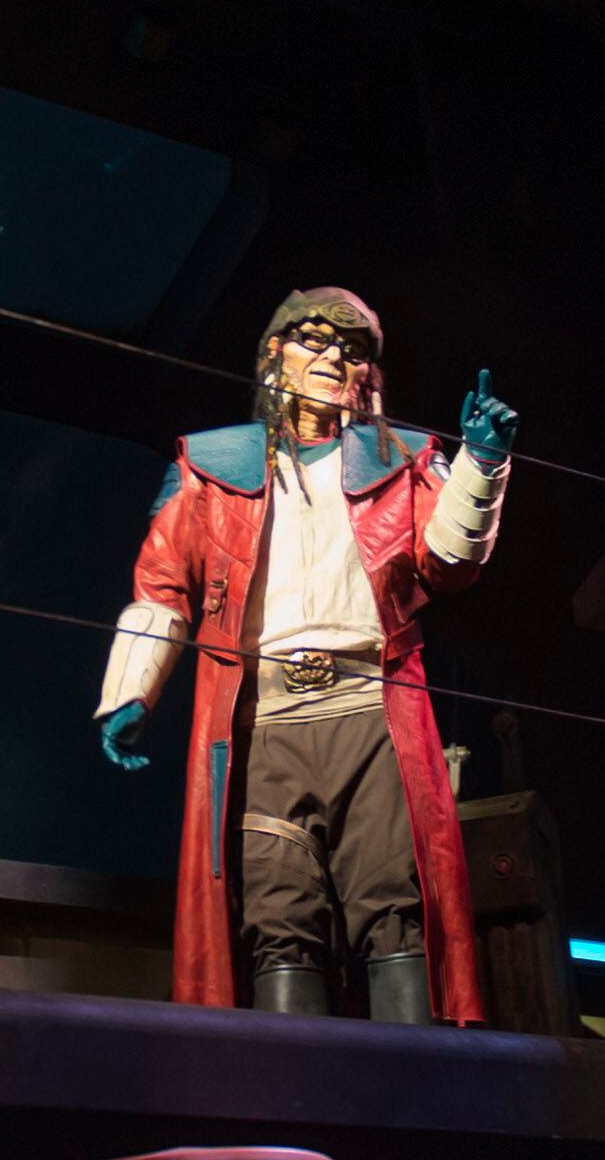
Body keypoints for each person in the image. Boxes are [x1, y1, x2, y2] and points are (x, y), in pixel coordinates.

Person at [93, 287, 513, 1021]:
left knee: (394, 908)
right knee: (277, 921)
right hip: (265, 726)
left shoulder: (406, 462)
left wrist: (480, 464)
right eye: (314, 340)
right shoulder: (212, 468)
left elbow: (449, 561)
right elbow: (162, 587)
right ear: (275, 354)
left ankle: (419, 1106)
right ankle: (299, 1104)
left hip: (369, 719)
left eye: (349, 350)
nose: (331, 358)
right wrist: (132, 692)